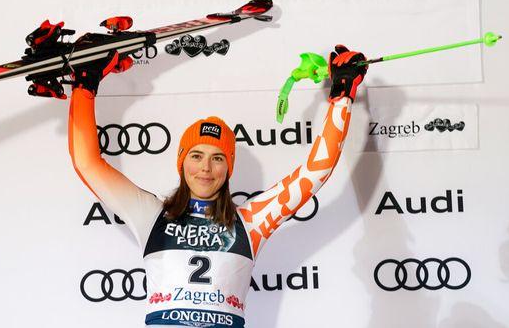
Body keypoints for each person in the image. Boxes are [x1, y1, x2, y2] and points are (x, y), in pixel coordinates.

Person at [68, 45, 367, 328]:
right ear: (182, 162)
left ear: (229, 167)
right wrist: (84, 86)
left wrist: (342, 97)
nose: (206, 168)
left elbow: (316, 171)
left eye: (217, 158)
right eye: (196, 156)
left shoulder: (250, 222)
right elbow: (87, 163)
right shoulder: (151, 216)